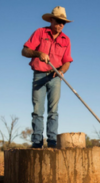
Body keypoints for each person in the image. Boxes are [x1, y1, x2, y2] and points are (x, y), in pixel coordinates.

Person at [22, 6, 73, 148]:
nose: (61, 25)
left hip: (55, 78)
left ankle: (52, 142)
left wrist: (62, 71)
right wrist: (38, 54)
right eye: (58, 21)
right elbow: (24, 51)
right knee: (38, 111)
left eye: (64, 23)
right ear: (51, 20)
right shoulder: (40, 32)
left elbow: (67, 61)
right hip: (39, 75)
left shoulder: (66, 40)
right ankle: (37, 142)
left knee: (53, 111)